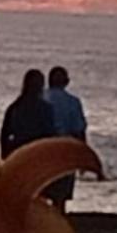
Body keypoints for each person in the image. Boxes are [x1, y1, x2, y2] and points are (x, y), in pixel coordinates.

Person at [44, 65, 87, 210]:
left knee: (41, 188)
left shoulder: (40, 98)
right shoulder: (73, 102)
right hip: (64, 149)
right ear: (66, 82)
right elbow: (79, 129)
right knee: (61, 194)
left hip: (42, 147)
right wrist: (82, 155)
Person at [0, 68, 56, 159]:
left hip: (19, 149)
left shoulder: (15, 106)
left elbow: (5, 133)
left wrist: (4, 152)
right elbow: (50, 133)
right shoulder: (45, 108)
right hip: (36, 150)